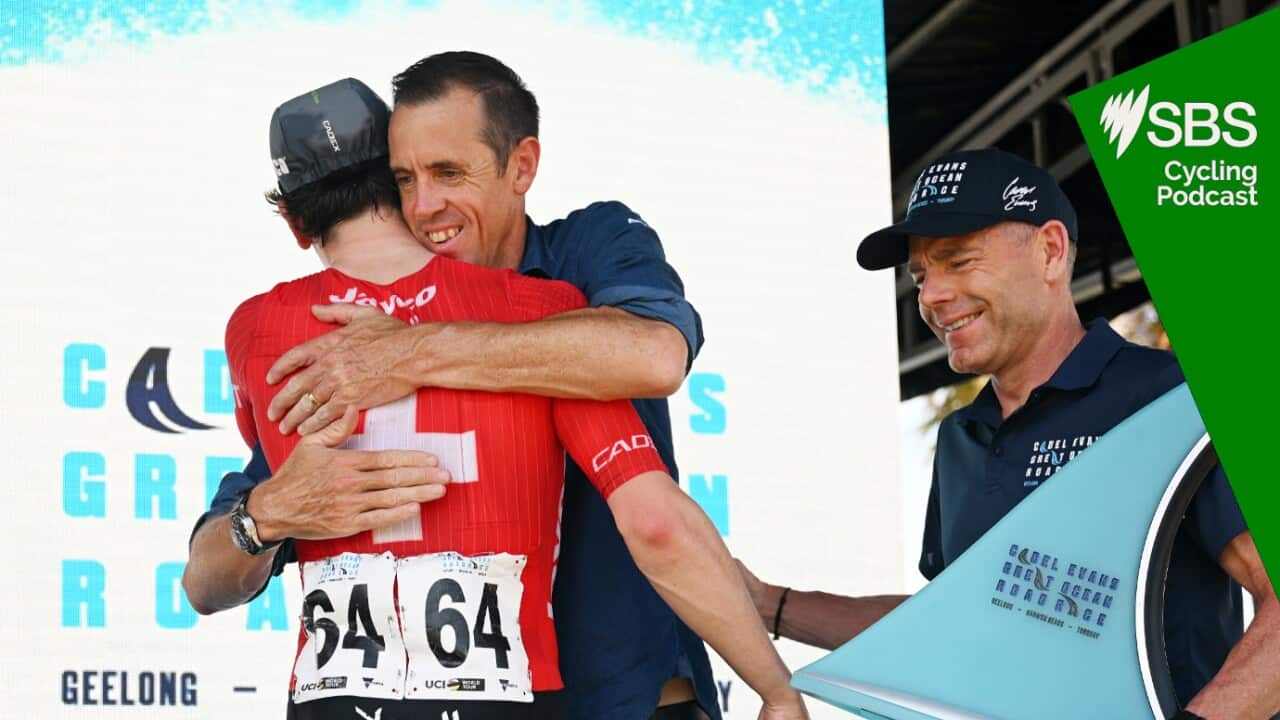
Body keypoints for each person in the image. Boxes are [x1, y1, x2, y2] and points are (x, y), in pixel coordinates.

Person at [184, 78, 807, 720]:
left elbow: (213, 567)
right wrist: (776, 689)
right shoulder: (545, 313)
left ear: (294, 223)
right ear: (397, 184)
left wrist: (266, 513)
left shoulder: (256, 331)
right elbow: (657, 524)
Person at [738, 148, 1279, 720]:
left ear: (1050, 251)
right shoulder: (961, 437)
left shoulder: (1172, 399)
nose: (930, 296)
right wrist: (768, 604)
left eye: (958, 261)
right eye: (920, 276)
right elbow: (952, 626)